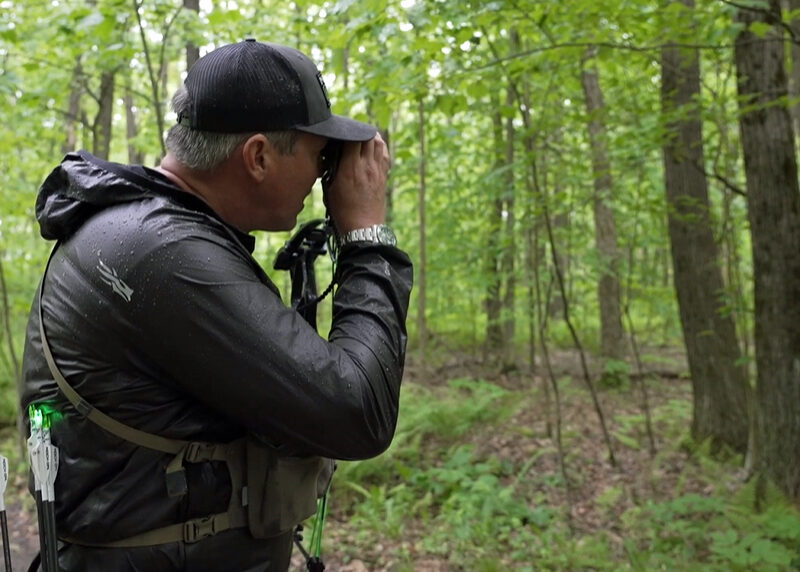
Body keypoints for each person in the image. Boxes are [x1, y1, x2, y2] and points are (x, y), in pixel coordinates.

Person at [18, 39, 412, 572]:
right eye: (318, 154)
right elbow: (356, 412)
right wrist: (366, 235)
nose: (325, 174)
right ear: (257, 156)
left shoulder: (133, 227)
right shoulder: (165, 254)